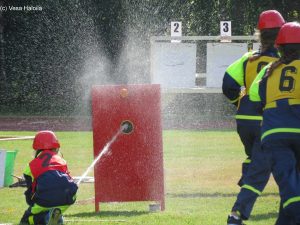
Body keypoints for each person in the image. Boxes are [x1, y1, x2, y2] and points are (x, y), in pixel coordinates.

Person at [222, 10, 285, 225]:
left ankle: (246, 179)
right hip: (267, 120)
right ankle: (240, 211)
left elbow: (228, 84)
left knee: (254, 158)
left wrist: (239, 102)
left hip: (244, 119)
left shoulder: (248, 59)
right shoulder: (284, 61)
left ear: (260, 34)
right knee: (270, 166)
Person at [249, 21, 300, 225]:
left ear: (279, 47)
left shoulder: (269, 71)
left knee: (290, 186)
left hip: (273, 134)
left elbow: (256, 98)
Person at [20, 130, 78, 225]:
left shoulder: (30, 166)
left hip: (45, 201)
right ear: (56, 147)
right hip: (67, 199)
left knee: (27, 219)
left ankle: (45, 217)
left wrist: (32, 202)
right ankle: (56, 217)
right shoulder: (62, 161)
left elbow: (30, 192)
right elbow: (68, 180)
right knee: (55, 208)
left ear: (37, 148)